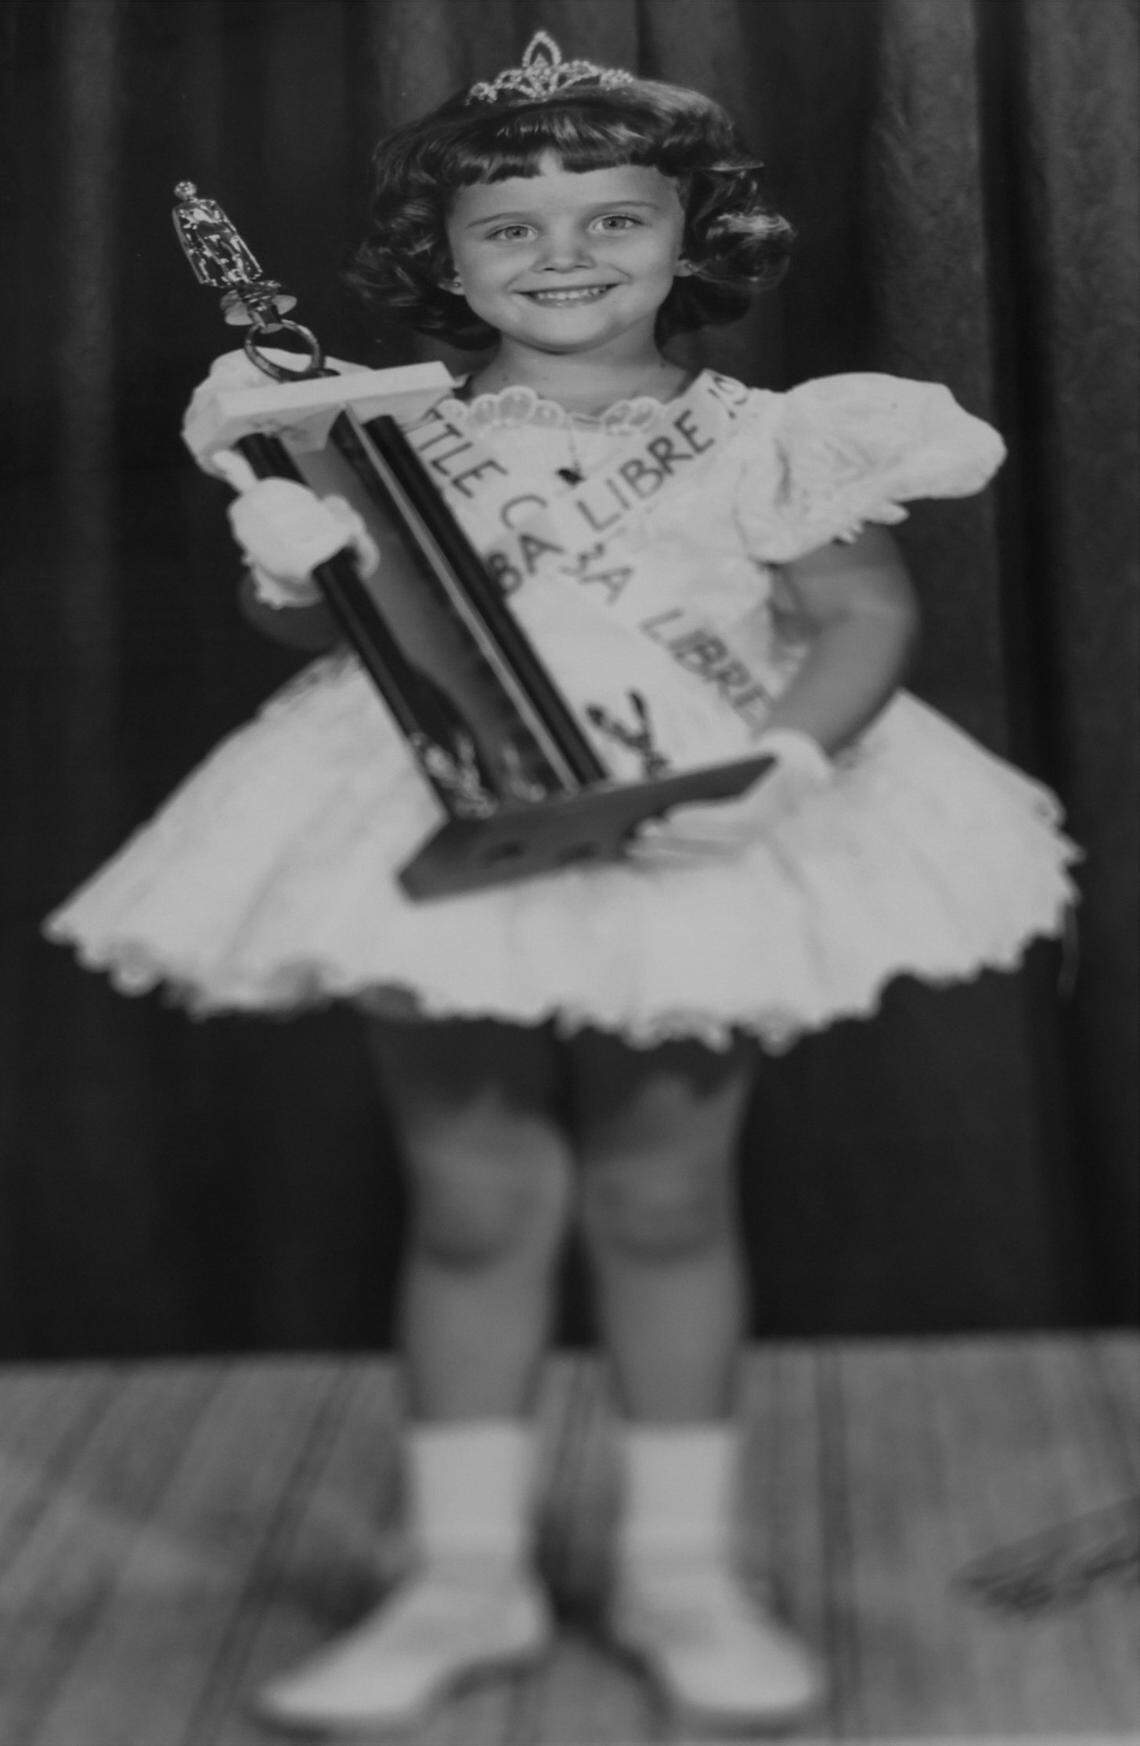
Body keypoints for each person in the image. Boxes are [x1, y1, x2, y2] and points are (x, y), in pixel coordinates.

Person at [45, 30, 1078, 1737]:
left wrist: (786, 770)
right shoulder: (378, 424)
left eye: (613, 219)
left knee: (666, 1193)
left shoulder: (775, 434)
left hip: (692, 804)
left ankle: (679, 1574)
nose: (566, 258)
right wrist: (291, 561)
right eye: (511, 229)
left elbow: (865, 618)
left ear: (693, 236)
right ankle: (464, 1580)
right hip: (443, 807)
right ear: (441, 261)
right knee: (475, 1200)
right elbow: (325, 624)